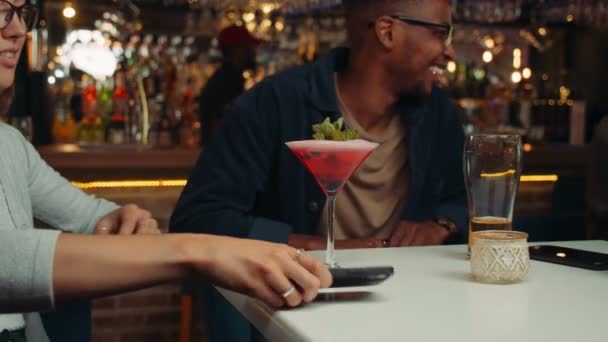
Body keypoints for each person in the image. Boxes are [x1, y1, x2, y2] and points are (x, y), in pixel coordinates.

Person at [0, 3, 331, 342]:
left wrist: (124, 219)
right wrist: (201, 251)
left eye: (21, 14)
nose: (17, 31)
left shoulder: (9, 143)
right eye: (0, 11)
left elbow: (94, 217)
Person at [171, 0, 465, 340]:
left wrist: (442, 223)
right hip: (298, 313)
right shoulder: (274, 103)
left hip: (409, 311)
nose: (450, 52)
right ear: (388, 32)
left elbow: (467, 200)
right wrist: (317, 247)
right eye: (440, 34)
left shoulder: (438, 114)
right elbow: (197, 218)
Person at [199, 24, 261, 144]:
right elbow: (227, 122)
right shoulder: (228, 79)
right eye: (249, 47)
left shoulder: (226, 76)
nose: (254, 52)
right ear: (237, 50)